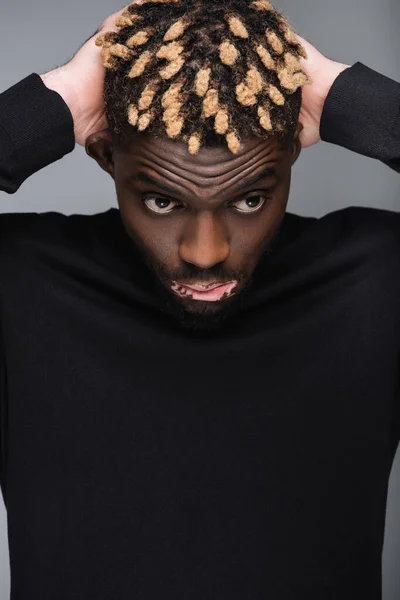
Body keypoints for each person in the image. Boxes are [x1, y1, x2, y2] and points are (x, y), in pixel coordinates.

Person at [0, 0, 399, 597]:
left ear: (291, 152)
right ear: (107, 155)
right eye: (164, 201)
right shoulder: (20, 282)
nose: (206, 253)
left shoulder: (373, 281)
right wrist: (61, 101)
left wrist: (342, 96)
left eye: (248, 200)